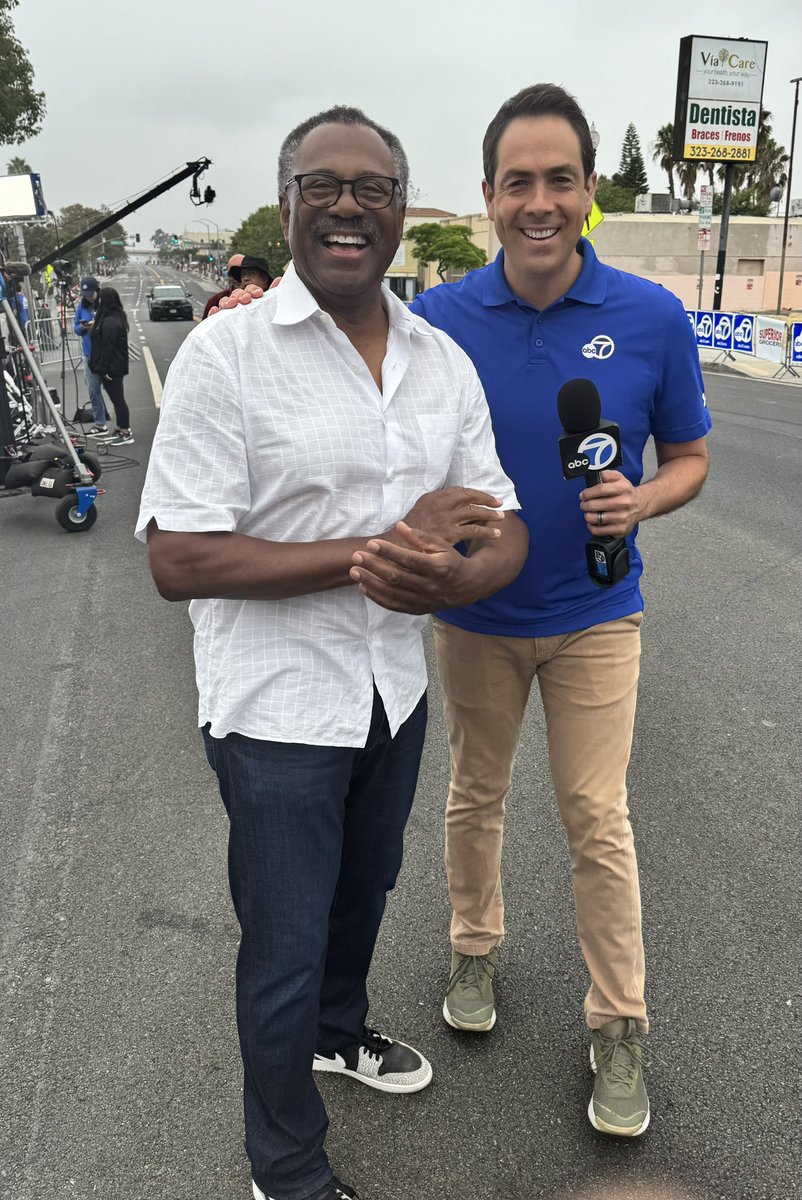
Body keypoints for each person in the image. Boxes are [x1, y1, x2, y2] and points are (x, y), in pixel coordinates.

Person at [136, 104, 528, 1200]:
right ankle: (286, 1168)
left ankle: (337, 1034)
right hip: (274, 713)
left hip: (389, 692)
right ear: (291, 203)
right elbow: (178, 557)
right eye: (324, 185)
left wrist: (457, 577)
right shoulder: (229, 355)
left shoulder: (439, 361)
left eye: (373, 187)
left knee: (362, 895)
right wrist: (379, 552)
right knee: (283, 946)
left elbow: (500, 521)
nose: (349, 205)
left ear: (401, 210)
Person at [408, 84, 711, 1139]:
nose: (539, 201)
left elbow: (690, 458)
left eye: (561, 180)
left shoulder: (651, 318)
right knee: (474, 793)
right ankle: (473, 947)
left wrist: (645, 497)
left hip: (596, 613)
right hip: (478, 618)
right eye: (517, 182)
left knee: (596, 818)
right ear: (489, 196)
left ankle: (617, 1027)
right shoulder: (436, 320)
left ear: (588, 193)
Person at [89, 286, 133, 445]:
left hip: (112, 368)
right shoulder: (114, 317)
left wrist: (104, 368)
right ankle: (120, 427)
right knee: (116, 399)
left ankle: (126, 431)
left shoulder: (110, 322)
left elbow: (108, 347)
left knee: (118, 399)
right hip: (115, 366)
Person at [73, 276, 108, 433]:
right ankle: (100, 423)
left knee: (115, 391)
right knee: (93, 390)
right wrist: (83, 328)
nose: (88, 297)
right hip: (89, 354)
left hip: (106, 354)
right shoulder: (82, 306)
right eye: (85, 294)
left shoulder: (105, 304)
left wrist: (98, 325)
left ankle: (123, 427)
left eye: (90, 293)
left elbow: (114, 324)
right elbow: (75, 327)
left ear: (97, 291)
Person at [201, 253, 245, 319]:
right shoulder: (214, 301)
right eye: (232, 274)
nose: (236, 278)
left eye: (241, 273)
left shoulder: (260, 298)